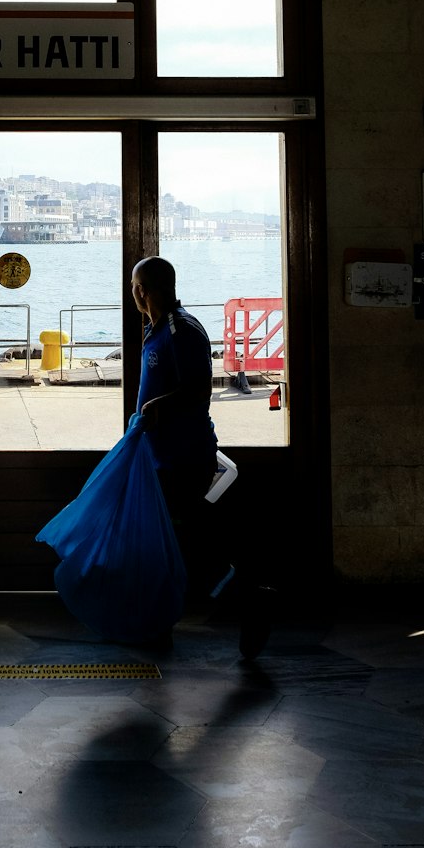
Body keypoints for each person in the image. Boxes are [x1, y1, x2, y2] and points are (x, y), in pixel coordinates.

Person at [132, 255, 274, 659]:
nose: (133, 296)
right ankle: (162, 622)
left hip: (184, 459)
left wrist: (158, 405)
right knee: (174, 540)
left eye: (134, 288)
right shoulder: (156, 329)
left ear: (143, 290)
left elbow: (198, 390)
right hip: (162, 458)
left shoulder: (182, 330)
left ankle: (251, 600)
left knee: (184, 543)